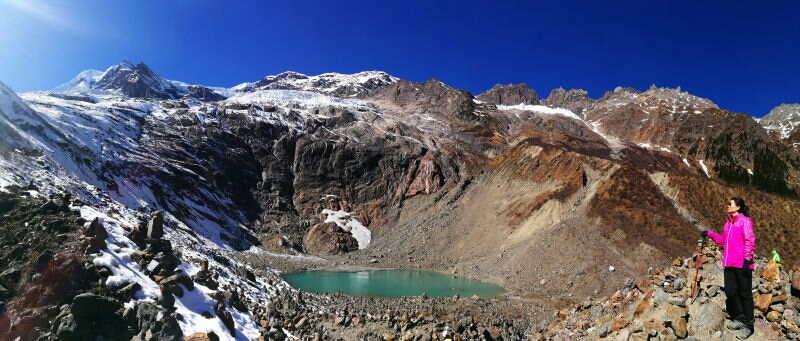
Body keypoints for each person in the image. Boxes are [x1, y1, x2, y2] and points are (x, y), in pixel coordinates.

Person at [702, 197, 756, 339]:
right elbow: (723, 241)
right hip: (729, 263)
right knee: (731, 292)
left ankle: (749, 325)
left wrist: (746, 259)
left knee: (745, 294)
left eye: (730, 204)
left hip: (743, 264)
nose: (727, 206)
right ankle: (739, 318)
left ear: (737, 207)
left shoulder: (745, 222)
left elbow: (750, 240)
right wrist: (710, 234)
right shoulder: (728, 224)